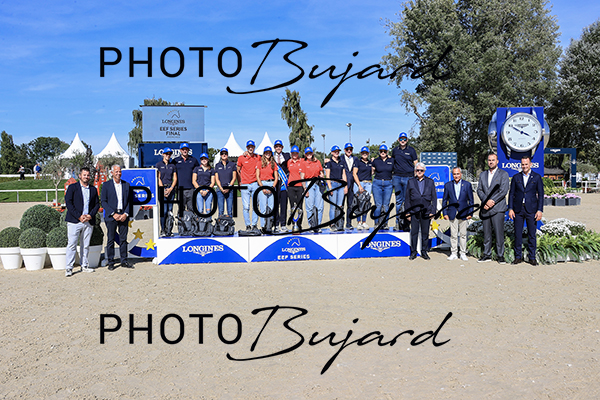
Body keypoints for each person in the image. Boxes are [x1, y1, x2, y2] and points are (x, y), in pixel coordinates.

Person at [64, 167, 100, 277]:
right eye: (84, 175)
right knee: (72, 244)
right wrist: (79, 216)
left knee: (86, 245)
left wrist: (90, 215)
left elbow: (96, 204)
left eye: (88, 175)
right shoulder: (72, 187)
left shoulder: (93, 189)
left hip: (88, 221)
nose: (86, 177)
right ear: (80, 175)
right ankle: (69, 268)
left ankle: (84, 265)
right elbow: (69, 203)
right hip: (74, 221)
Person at [508, 156, 544, 266]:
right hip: (518, 209)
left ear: (530, 164)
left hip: (531, 210)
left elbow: (541, 195)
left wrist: (539, 210)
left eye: (526, 164)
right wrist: (510, 208)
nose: (524, 166)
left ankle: (532, 257)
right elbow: (511, 194)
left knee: (532, 234)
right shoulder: (516, 177)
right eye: (523, 164)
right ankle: (518, 257)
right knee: (517, 234)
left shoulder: (537, 177)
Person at [477, 153, 510, 264]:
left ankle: (500, 255)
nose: (491, 162)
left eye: (493, 160)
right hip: (485, 208)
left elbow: (503, 191)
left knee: (499, 232)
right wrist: (486, 201)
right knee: (486, 233)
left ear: (497, 161)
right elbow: (479, 190)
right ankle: (487, 254)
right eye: (489, 160)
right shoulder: (483, 175)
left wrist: (492, 201)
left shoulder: (503, 174)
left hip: (498, 208)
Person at [101, 165, 132, 270]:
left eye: (120, 171)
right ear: (112, 173)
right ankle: (111, 262)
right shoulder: (106, 185)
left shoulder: (126, 185)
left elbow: (130, 201)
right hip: (111, 216)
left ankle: (124, 261)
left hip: (123, 215)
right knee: (111, 239)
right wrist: (113, 213)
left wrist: (125, 214)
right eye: (116, 171)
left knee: (123, 239)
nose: (118, 173)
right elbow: (103, 201)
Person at [405, 162, 437, 260]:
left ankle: (424, 252)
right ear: (415, 171)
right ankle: (413, 252)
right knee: (414, 233)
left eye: (421, 170)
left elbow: (434, 198)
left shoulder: (430, 182)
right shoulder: (410, 181)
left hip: (426, 211)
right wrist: (407, 212)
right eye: (417, 170)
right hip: (414, 211)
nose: (419, 172)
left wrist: (433, 211)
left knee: (425, 233)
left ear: (424, 171)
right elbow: (407, 198)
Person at [442, 167, 474, 261]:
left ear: (461, 174)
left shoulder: (467, 185)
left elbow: (471, 201)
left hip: (464, 212)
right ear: (452, 175)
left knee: (463, 234)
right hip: (452, 212)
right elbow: (445, 201)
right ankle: (454, 253)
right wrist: (445, 213)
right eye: (454, 174)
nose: (456, 176)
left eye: (458, 174)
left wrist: (470, 212)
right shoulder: (448, 185)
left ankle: (463, 253)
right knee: (453, 234)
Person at [391, 132, 418, 230]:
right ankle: (398, 222)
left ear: (407, 140)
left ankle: (407, 223)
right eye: (401, 139)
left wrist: (415, 176)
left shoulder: (411, 150)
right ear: (398, 140)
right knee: (398, 201)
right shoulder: (395, 150)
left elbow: (416, 163)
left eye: (404, 139)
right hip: (397, 177)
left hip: (408, 178)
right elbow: (392, 161)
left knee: (408, 201)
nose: (403, 141)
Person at [237, 140, 261, 231]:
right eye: (249, 147)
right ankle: (247, 225)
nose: (251, 148)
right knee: (246, 207)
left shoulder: (258, 157)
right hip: (245, 184)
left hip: (255, 183)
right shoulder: (241, 158)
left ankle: (254, 224)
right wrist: (239, 182)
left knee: (255, 206)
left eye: (252, 147)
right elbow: (238, 170)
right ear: (247, 148)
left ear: (254, 147)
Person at [324, 145, 347, 231]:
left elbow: (343, 174)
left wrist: (345, 186)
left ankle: (339, 223)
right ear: (332, 153)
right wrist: (330, 187)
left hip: (341, 185)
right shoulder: (329, 163)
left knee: (340, 206)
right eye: (335, 151)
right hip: (333, 184)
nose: (337, 153)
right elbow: (327, 176)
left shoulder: (342, 162)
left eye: (338, 151)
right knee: (333, 206)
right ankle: (332, 224)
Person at [301, 147, 324, 231]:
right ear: (305, 154)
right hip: (309, 183)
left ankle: (318, 225)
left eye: (310, 153)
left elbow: (321, 172)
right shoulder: (304, 163)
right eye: (307, 153)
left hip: (318, 184)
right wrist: (305, 188)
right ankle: (311, 225)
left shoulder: (317, 162)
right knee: (309, 207)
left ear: (312, 153)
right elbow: (302, 177)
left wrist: (322, 175)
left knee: (320, 206)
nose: (309, 155)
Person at [371, 144, 394, 229]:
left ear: (387, 152)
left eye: (384, 151)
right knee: (378, 205)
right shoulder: (375, 161)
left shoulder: (392, 160)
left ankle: (385, 223)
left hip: (388, 183)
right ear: (379, 152)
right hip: (377, 183)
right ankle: (377, 223)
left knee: (386, 205)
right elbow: (372, 172)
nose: (383, 152)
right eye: (381, 151)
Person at [256, 146, 279, 230]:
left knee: (271, 207)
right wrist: (262, 188)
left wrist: (272, 187)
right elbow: (257, 177)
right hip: (263, 184)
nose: (268, 154)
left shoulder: (273, 164)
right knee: (263, 208)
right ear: (264, 153)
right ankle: (263, 226)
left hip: (271, 183)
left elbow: (276, 177)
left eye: (269, 152)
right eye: (266, 152)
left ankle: (269, 225)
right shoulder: (259, 163)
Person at [156, 147, 177, 235]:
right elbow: (158, 178)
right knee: (163, 211)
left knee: (170, 211)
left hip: (171, 189)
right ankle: (163, 230)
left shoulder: (172, 165)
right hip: (162, 189)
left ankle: (169, 230)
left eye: (169, 154)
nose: (168, 155)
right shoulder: (158, 165)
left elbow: (175, 178)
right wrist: (163, 190)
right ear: (163, 154)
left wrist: (171, 188)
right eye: (166, 153)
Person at [173, 143, 200, 211]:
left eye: (186, 149)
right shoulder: (175, 161)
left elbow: (199, 172)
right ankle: (180, 218)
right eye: (183, 149)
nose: (184, 151)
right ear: (180, 150)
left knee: (191, 208)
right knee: (181, 209)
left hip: (191, 188)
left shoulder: (193, 160)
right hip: (180, 188)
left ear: (188, 150)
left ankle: (191, 218)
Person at [352, 146, 374, 230]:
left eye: (366, 153)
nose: (365, 154)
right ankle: (359, 222)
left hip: (368, 183)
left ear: (368, 154)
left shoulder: (370, 163)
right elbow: (354, 173)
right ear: (361, 153)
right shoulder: (357, 162)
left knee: (366, 204)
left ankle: (364, 222)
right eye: (363, 153)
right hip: (359, 183)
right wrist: (359, 185)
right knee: (358, 203)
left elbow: (372, 172)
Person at [273, 140, 290, 232]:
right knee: (275, 204)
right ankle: (276, 224)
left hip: (284, 182)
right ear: (274, 147)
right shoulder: (271, 156)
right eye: (276, 146)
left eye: (280, 146)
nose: (278, 148)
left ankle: (283, 224)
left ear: (282, 147)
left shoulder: (287, 155)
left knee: (284, 204)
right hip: (275, 182)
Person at [214, 148, 237, 217]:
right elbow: (217, 178)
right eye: (222, 154)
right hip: (220, 190)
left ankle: (229, 223)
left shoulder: (232, 164)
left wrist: (229, 187)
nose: (224, 155)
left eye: (225, 153)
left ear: (227, 155)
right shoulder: (217, 165)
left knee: (229, 211)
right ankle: (220, 223)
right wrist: (221, 188)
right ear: (220, 155)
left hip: (230, 190)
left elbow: (234, 177)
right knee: (221, 211)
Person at [342, 143, 359, 231]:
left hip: (351, 185)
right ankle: (340, 224)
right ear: (344, 150)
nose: (349, 151)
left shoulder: (355, 159)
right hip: (342, 186)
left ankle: (349, 223)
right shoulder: (340, 158)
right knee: (340, 206)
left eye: (350, 149)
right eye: (347, 149)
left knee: (350, 206)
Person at [286, 146, 304, 228]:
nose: (294, 155)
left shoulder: (302, 161)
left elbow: (311, 160)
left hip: (300, 186)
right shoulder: (289, 162)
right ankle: (294, 223)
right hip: (291, 187)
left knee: (300, 206)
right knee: (292, 206)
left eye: (296, 153)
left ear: (298, 153)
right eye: (293, 153)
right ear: (291, 153)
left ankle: (299, 224)